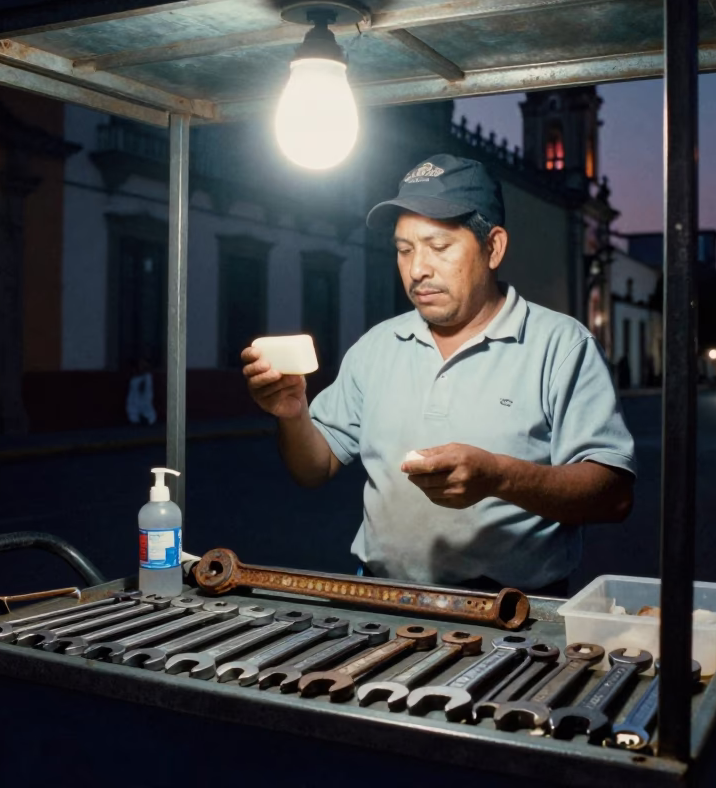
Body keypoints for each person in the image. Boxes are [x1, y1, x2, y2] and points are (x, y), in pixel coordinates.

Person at [242, 154, 636, 595]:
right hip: (382, 601)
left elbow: (613, 495)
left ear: (493, 248)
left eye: (439, 246)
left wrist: (498, 477)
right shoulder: (376, 346)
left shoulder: (561, 347)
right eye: (404, 249)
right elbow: (314, 468)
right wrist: (293, 415)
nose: (416, 270)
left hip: (514, 613)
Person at [126, 357, 157, 426]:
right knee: (133, 407)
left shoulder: (147, 377)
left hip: (144, 397)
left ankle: (147, 419)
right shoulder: (135, 377)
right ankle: (136, 419)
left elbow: (144, 388)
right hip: (135, 397)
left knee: (145, 406)